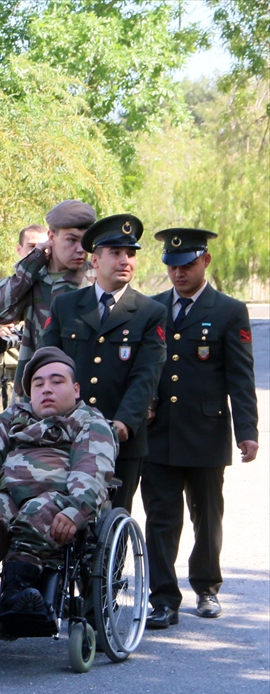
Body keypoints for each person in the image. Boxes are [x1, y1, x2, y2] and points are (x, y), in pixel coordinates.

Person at [0, 347, 117, 641]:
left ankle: (18, 597)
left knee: (36, 513)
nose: (47, 389)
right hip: (10, 495)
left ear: (75, 389)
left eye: (56, 382)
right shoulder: (13, 417)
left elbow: (91, 471)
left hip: (62, 498)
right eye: (38, 383)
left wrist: (76, 510)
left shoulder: (90, 422)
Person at [141, 228, 258, 629]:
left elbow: (240, 377)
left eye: (187, 265)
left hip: (205, 431)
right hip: (157, 432)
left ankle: (206, 588)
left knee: (206, 516)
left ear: (205, 260)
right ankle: (163, 599)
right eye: (171, 267)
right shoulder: (152, 308)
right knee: (160, 517)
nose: (178, 274)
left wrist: (248, 430)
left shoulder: (228, 311)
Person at [41, 214, 166, 514]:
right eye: (116, 253)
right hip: (67, 434)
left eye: (131, 254)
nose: (125, 260)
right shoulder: (66, 306)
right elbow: (47, 363)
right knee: (58, 516)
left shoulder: (150, 312)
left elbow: (146, 375)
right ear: (95, 261)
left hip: (121, 439)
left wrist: (124, 422)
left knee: (112, 522)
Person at [0, 200, 96, 395]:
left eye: (86, 241)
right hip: (32, 393)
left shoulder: (95, 279)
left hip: (78, 395)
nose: (81, 249)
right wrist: (33, 260)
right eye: (72, 240)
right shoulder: (34, 276)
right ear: (51, 237)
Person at [0, 225, 46, 432]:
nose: (38, 253)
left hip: (40, 376)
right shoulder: (0, 290)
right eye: (31, 246)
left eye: (42, 247)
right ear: (19, 249)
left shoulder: (56, 289)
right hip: (3, 378)